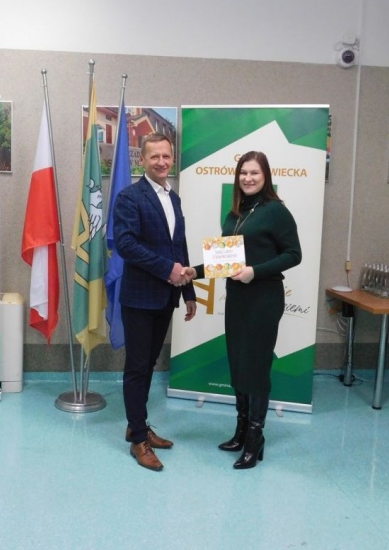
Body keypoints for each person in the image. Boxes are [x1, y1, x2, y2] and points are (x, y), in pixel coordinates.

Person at [184, 150, 301, 469]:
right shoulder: (235, 213)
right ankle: (240, 431)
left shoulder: (276, 211)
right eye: (243, 173)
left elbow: (294, 254)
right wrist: (196, 271)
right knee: (238, 364)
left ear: (266, 177)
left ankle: (255, 438)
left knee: (256, 367)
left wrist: (255, 271)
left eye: (255, 173)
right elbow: (226, 261)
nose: (248, 178)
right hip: (237, 297)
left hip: (264, 298)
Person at [113, 133, 197, 472]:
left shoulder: (173, 198)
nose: (161, 162)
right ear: (142, 160)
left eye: (166, 156)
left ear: (172, 158)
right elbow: (126, 245)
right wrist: (168, 269)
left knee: (148, 364)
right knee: (137, 367)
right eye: (154, 157)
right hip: (139, 298)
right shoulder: (129, 197)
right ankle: (138, 440)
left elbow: (179, 246)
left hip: (166, 296)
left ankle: (137, 425)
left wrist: (188, 292)